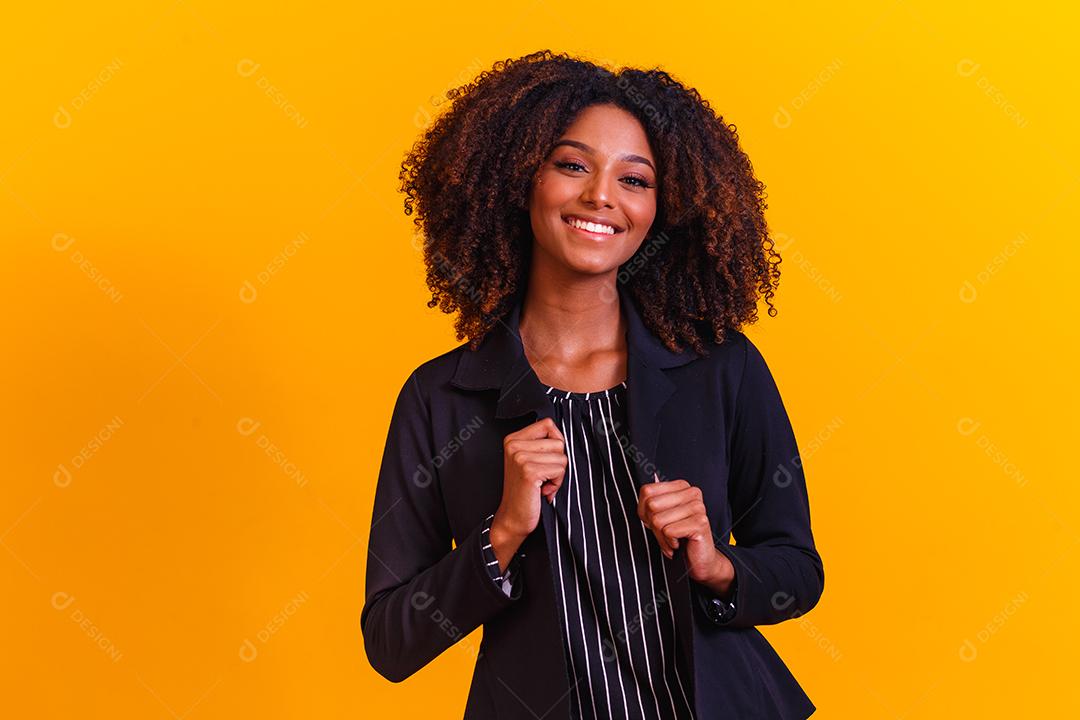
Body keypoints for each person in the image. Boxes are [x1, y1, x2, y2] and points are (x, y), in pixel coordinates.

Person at [361, 49, 825, 720]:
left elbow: (797, 572)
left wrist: (718, 566)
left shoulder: (720, 368)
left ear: (663, 208)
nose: (600, 196)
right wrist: (504, 532)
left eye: (634, 180)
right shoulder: (442, 398)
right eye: (572, 165)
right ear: (517, 178)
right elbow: (391, 641)